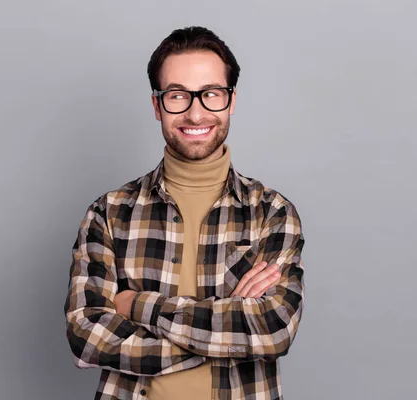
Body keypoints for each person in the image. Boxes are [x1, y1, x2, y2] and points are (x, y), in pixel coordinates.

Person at [64, 26, 305, 400]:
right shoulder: (109, 213)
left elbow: (273, 329)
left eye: (211, 94)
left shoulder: (272, 212)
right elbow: (87, 335)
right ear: (157, 104)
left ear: (231, 101)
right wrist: (227, 334)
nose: (196, 113)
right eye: (178, 95)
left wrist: (135, 304)